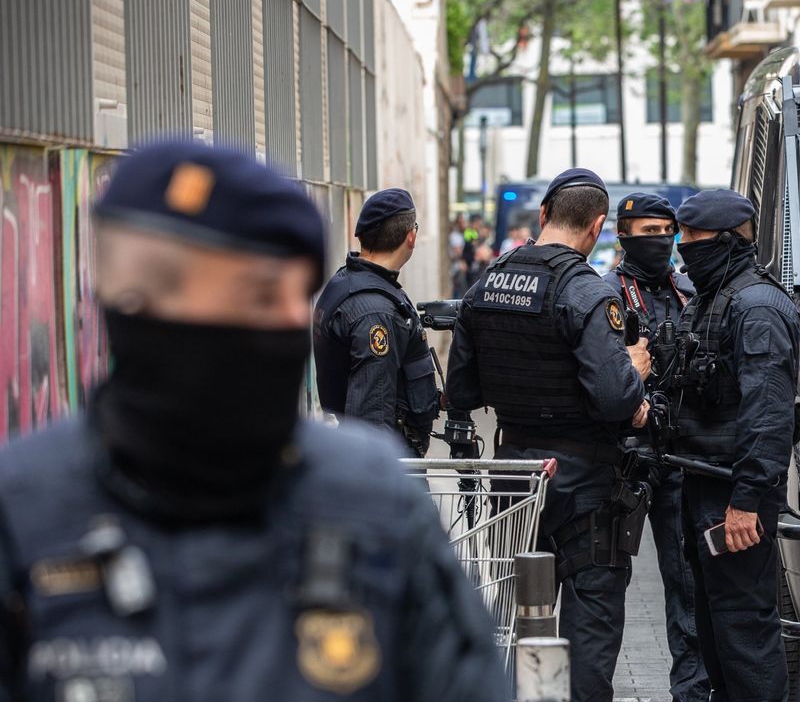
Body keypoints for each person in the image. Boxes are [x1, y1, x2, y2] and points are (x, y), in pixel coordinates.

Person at [0, 140, 508, 700]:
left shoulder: (374, 499)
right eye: (260, 296)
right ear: (139, 301)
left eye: (296, 296)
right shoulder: (24, 510)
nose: (290, 321)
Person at [445, 168, 653, 702]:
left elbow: (462, 391)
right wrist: (634, 370)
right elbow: (614, 397)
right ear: (598, 226)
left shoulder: (485, 283)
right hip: (585, 486)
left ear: (543, 216)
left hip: (515, 478)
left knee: (522, 620)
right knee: (590, 626)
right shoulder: (585, 291)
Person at [669, 190, 800, 702]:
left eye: (695, 239)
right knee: (716, 626)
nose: (683, 249)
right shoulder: (711, 298)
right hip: (703, 483)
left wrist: (745, 501)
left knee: (744, 628)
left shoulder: (758, 306)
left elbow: (767, 417)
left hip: (733, 493)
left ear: (727, 242)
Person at [601, 193, 708, 701]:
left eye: (668, 230)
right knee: (606, 584)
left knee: (687, 584)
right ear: (623, 235)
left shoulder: (691, 292)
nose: (661, 240)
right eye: (648, 231)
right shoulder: (606, 296)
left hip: (683, 458)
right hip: (625, 461)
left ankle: (690, 691)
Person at [313, 188, 439, 455]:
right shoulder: (376, 313)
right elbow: (372, 417)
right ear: (411, 237)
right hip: (390, 464)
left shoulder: (346, 282)